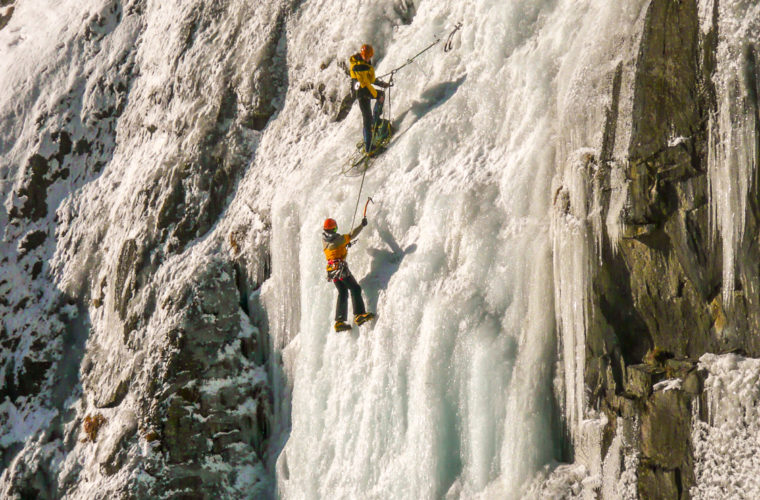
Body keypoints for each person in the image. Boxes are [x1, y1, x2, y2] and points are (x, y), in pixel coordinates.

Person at [322, 217, 375, 331]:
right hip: (340, 268)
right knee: (355, 288)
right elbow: (351, 235)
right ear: (334, 228)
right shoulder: (339, 239)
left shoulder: (325, 240)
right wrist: (362, 225)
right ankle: (359, 315)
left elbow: (335, 248)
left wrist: (345, 246)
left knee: (342, 292)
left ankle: (339, 322)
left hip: (331, 270)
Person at [349, 44, 391, 154]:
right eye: (367, 56)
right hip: (363, 93)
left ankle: (375, 121)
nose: (368, 58)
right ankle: (369, 149)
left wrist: (382, 85)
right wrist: (378, 93)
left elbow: (369, 80)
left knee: (368, 117)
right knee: (367, 120)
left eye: (368, 56)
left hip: (362, 91)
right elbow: (367, 83)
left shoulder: (360, 63)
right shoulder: (363, 67)